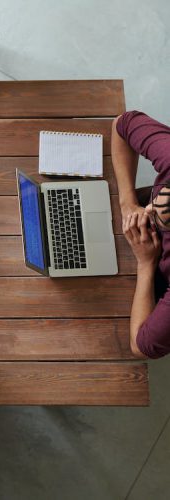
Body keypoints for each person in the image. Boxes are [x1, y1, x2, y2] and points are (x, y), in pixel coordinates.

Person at [112, 110, 170, 359]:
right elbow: (122, 124)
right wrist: (128, 203)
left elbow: (141, 346)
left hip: (153, 272)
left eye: (161, 216)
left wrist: (146, 263)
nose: (148, 209)